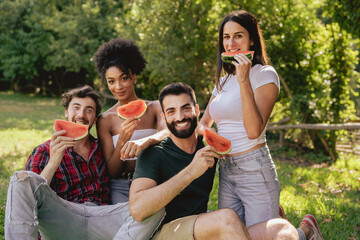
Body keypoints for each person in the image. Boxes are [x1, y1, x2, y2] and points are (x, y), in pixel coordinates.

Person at [199, 10, 323, 240]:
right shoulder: (223, 81)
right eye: (226, 37)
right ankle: (281, 222)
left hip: (254, 168)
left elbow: (253, 130)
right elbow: (205, 122)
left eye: (238, 36)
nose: (231, 43)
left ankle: (303, 232)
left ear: (252, 40)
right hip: (226, 169)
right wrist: (211, 143)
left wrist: (244, 78)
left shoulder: (265, 75)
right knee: (231, 235)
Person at [129, 82, 300, 240]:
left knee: (282, 229)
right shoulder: (153, 153)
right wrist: (191, 172)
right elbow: (138, 210)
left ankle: (306, 230)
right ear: (164, 117)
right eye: (171, 111)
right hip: (165, 232)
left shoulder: (209, 148)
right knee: (226, 218)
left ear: (197, 110)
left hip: (202, 228)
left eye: (186, 108)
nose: (180, 117)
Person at [4, 85, 164, 240]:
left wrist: (129, 142)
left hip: (103, 218)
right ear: (66, 112)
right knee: (21, 178)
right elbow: (32, 195)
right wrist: (53, 163)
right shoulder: (44, 150)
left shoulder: (101, 148)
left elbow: (118, 170)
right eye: (76, 107)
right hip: (65, 217)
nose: (81, 114)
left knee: (154, 205)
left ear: (94, 119)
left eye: (89, 110)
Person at [94, 37, 168, 204]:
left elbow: (167, 132)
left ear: (134, 77)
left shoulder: (155, 107)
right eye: (111, 81)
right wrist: (122, 142)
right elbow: (111, 172)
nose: (118, 87)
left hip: (152, 182)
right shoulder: (105, 120)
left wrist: (144, 142)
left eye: (124, 78)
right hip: (119, 186)